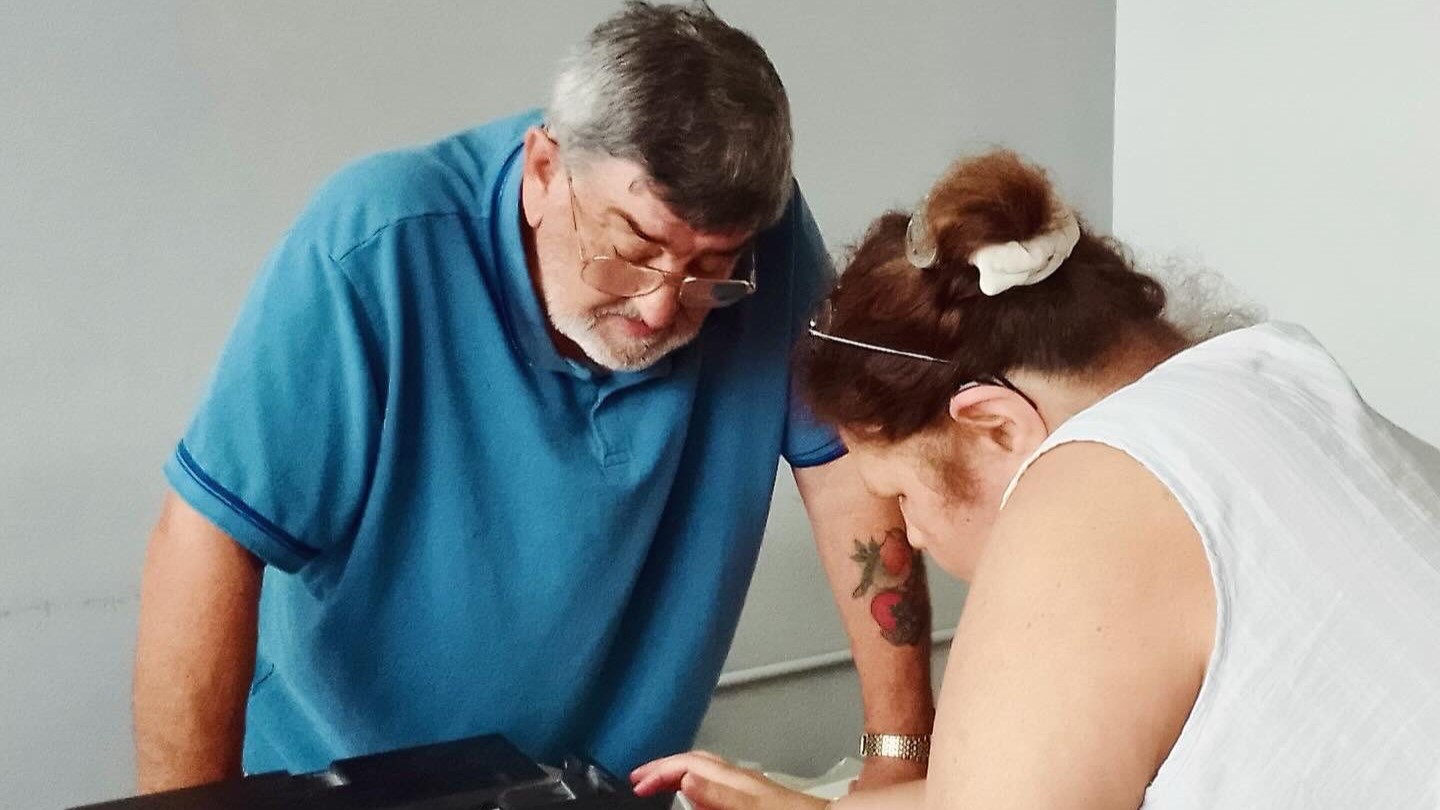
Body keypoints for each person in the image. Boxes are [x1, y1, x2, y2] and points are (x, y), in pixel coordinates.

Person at [133, 2, 937, 795]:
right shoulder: (376, 246)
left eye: (709, 272)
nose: (661, 306)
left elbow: (847, 481)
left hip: (598, 787)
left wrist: (900, 754)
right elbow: (209, 538)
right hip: (346, 777)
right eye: (632, 249)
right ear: (545, 171)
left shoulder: (758, 243)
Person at [631, 150, 1440, 808]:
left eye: (902, 495)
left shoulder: (1093, 491)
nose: (911, 536)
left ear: (995, 426)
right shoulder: (1272, 378)